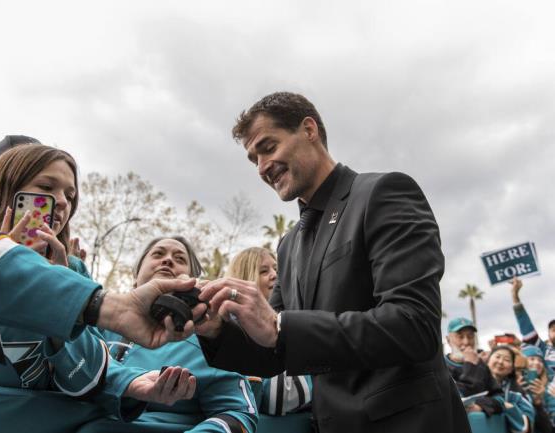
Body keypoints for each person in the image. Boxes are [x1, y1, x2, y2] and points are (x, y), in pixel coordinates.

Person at [193, 92, 469, 432]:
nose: (263, 167)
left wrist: (281, 327)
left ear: (309, 129)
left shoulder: (384, 192)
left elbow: (413, 325)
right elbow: (270, 354)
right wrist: (216, 329)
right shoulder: (288, 245)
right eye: (254, 160)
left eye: (268, 147)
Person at [0, 144, 195, 414]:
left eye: (70, 196)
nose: (60, 202)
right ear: (5, 189)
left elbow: (84, 377)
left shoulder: (73, 273)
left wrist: (59, 308)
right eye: (45, 188)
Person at [98, 237, 257, 433]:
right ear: (135, 276)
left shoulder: (211, 341)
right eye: (158, 254)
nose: (167, 260)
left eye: (180, 259)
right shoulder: (96, 322)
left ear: (190, 282)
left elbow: (237, 415)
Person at [225, 247, 312, 416]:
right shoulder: (234, 329)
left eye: (277, 269)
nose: (275, 275)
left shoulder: (288, 319)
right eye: (264, 271)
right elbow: (282, 399)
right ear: (244, 279)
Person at [444, 317, 504, 416]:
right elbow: (457, 398)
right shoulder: (442, 367)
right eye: (460, 336)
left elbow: (499, 398)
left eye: (470, 336)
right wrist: (470, 366)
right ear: (448, 340)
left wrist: (481, 407)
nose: (466, 342)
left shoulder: (481, 366)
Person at [510, 277, 555, 379]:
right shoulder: (543, 349)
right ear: (548, 335)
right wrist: (515, 296)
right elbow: (526, 327)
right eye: (554, 330)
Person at [487, 345, 535, 433]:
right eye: (497, 356)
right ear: (487, 360)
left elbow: (527, 426)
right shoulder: (473, 384)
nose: (500, 362)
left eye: (507, 360)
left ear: (511, 368)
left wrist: (507, 407)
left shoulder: (517, 394)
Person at [518, 345, 555, 432]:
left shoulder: (549, 388)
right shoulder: (512, 383)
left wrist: (540, 402)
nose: (537, 363)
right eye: (532, 359)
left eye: (540, 360)